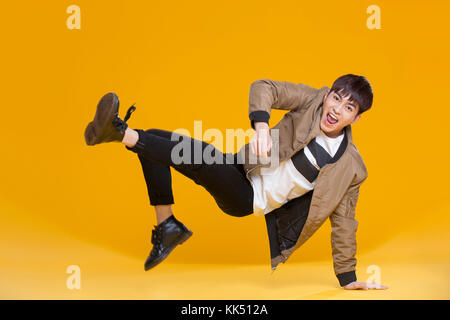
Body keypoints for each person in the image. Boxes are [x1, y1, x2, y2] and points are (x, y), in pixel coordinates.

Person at [84, 74, 388, 290]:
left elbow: (345, 221)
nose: (336, 109)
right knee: (158, 139)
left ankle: (119, 133)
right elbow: (264, 87)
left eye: (348, 107)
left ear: (356, 118)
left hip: (249, 197)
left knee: (196, 154)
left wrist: (347, 276)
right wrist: (262, 128)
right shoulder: (313, 100)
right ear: (328, 95)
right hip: (240, 166)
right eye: (336, 98)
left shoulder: (351, 167)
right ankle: (167, 227)